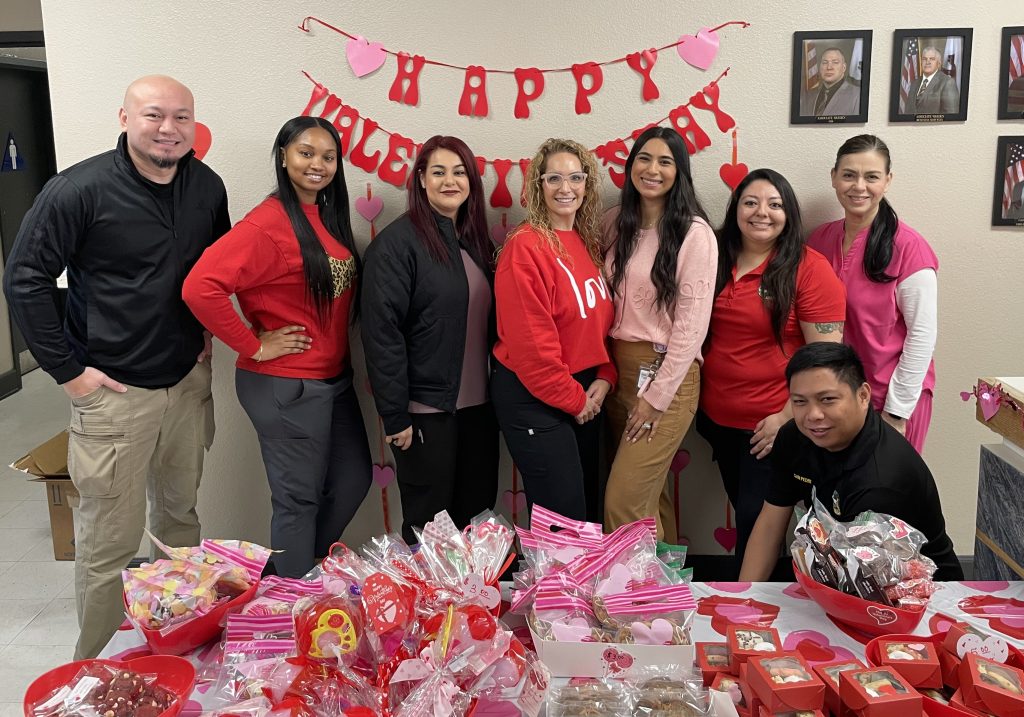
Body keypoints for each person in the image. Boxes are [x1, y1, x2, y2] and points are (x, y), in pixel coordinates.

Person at [2, 75, 229, 658]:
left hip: (185, 384)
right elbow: (24, 280)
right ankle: (92, 664)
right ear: (125, 118)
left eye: (181, 117)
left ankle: (176, 639)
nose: (168, 129)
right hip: (114, 393)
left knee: (180, 518)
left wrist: (206, 331)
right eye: (154, 115)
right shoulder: (77, 190)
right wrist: (70, 373)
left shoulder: (206, 186)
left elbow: (215, 270)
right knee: (109, 541)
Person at [183, 116, 370, 577]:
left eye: (329, 157)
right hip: (286, 386)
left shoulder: (324, 216)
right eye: (306, 153)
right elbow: (200, 287)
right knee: (297, 501)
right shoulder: (268, 222)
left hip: (332, 380)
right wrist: (253, 344)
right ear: (283, 155)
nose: (318, 165)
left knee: (352, 480)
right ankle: (291, 606)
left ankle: (296, 573)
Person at [696, 168, 846, 571]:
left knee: (755, 524)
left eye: (775, 204)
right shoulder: (713, 257)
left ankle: (751, 614)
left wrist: (786, 417)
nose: (762, 213)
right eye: (751, 202)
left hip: (771, 427)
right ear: (736, 209)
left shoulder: (807, 268)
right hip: (717, 422)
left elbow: (826, 359)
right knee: (746, 516)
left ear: (789, 214)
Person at [361, 135, 498, 545]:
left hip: (479, 411)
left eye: (459, 172)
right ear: (421, 180)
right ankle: (428, 608)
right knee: (429, 526)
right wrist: (395, 414)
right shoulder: (396, 244)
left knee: (475, 520)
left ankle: (469, 608)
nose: (449, 181)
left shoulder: (474, 242)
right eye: (438, 171)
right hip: (425, 412)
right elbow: (381, 333)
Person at [738, 342, 963, 582]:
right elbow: (770, 524)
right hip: (841, 568)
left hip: (919, 591)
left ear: (863, 396)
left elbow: (872, 584)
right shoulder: (794, 438)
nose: (813, 415)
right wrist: (743, 598)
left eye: (827, 399)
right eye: (800, 402)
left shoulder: (882, 478)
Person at [491, 138, 616, 523]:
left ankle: (578, 586)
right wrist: (577, 401)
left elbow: (599, 323)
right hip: (535, 394)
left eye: (576, 177)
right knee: (563, 520)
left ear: (587, 184)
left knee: (586, 511)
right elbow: (532, 348)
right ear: (537, 186)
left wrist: (606, 376)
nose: (566, 188)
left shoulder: (587, 242)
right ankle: (553, 587)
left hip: (582, 390)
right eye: (554, 178)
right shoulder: (525, 248)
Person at [602, 127, 717, 541]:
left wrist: (656, 398)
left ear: (679, 172)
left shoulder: (694, 233)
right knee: (648, 496)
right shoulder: (616, 222)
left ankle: (628, 599)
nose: (652, 169)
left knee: (623, 500)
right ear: (631, 165)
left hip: (666, 375)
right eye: (644, 159)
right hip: (618, 371)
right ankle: (664, 595)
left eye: (665, 161)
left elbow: (691, 329)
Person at [808, 135, 938, 452]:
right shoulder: (820, 240)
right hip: (835, 397)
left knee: (884, 497)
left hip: (889, 400)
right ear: (834, 177)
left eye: (872, 177)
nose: (859, 186)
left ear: (888, 181)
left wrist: (897, 411)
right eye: (849, 175)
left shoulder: (909, 247)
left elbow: (922, 333)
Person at [801, 47, 860, 117]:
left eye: (835, 62)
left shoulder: (857, 95)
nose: (829, 67)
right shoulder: (809, 96)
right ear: (820, 67)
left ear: (844, 67)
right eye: (825, 62)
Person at [905, 46, 959, 114]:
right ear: (921, 62)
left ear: (939, 63)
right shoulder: (914, 83)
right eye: (924, 59)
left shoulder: (948, 83)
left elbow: (951, 115)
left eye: (932, 59)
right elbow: (907, 111)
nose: (927, 62)